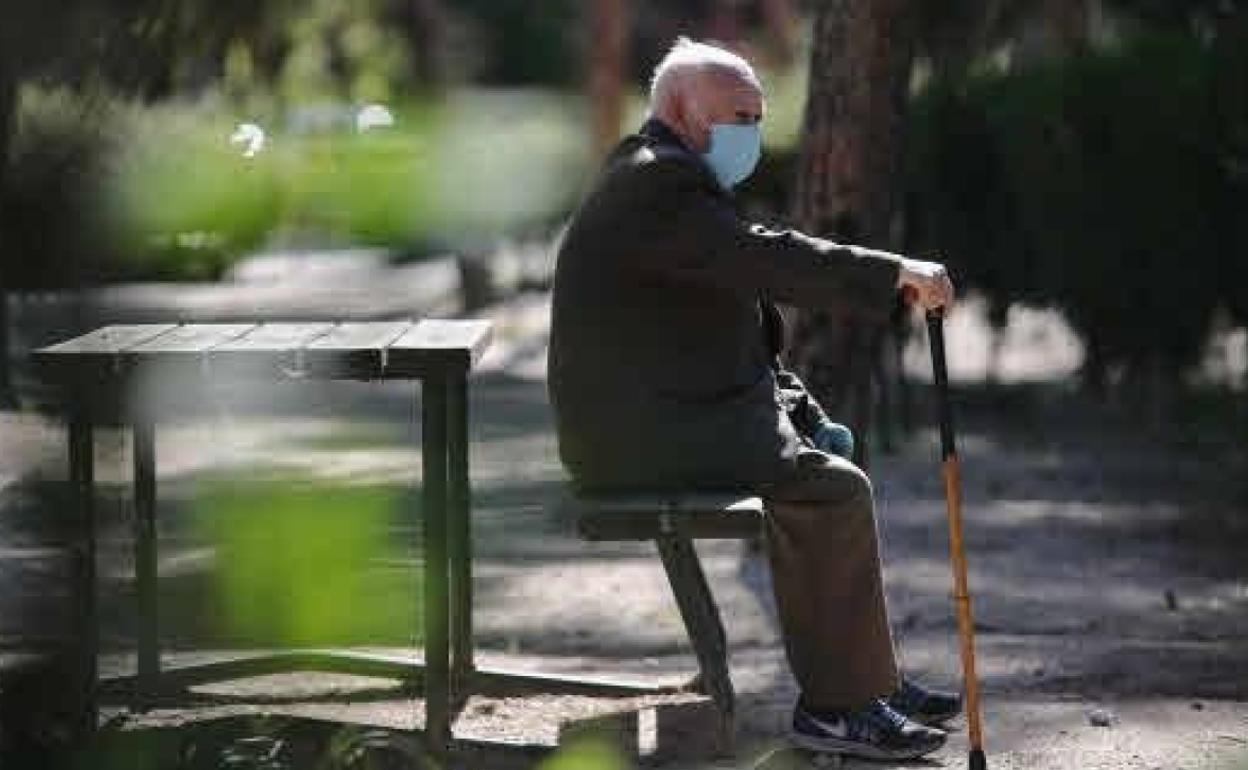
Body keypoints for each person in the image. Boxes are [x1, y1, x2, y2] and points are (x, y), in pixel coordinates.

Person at [547, 37, 959, 761]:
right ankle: (838, 706)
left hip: (654, 423)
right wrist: (894, 272)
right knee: (831, 492)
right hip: (641, 439)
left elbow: (723, 324)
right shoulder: (659, 187)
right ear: (683, 110)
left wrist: (798, 407)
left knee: (823, 479)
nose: (753, 136)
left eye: (759, 117)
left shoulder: (656, 177)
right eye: (741, 115)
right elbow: (764, 257)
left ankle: (868, 686)